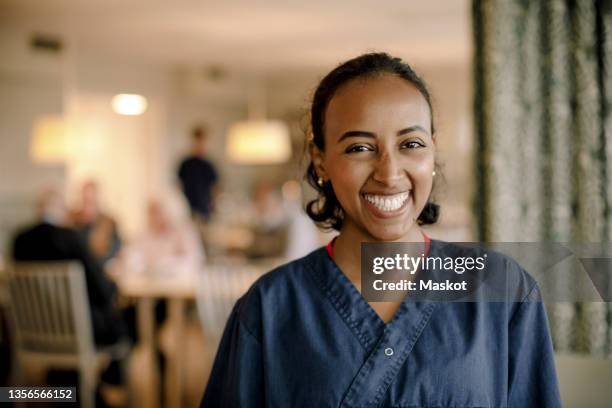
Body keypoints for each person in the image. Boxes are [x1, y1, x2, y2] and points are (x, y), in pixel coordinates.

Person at [201, 53, 561, 407]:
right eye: (360, 148)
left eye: (411, 144)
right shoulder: (267, 308)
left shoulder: (502, 290)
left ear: (432, 152)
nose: (388, 174)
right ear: (321, 160)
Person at [70, 180, 122, 267]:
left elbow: (114, 254)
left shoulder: (109, 223)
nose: (88, 206)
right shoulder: (72, 221)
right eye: (85, 200)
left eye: (91, 201)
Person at [177, 125, 219, 222]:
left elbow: (215, 188)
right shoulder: (185, 164)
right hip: (187, 210)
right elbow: (179, 186)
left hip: (205, 210)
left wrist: (213, 206)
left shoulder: (209, 165)